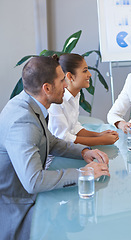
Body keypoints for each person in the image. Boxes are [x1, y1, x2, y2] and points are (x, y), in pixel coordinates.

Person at [0, 55, 110, 240]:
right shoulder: (23, 121)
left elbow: (49, 140)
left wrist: (84, 151)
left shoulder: (29, 102)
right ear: (47, 88)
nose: (66, 85)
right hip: (17, 207)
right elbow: (34, 181)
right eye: (62, 81)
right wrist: (84, 173)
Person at [48, 53, 119, 146]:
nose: (89, 74)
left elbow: (74, 127)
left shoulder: (76, 95)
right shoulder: (56, 102)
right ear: (70, 76)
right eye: (85, 71)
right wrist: (101, 140)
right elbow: (63, 138)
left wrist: (98, 135)